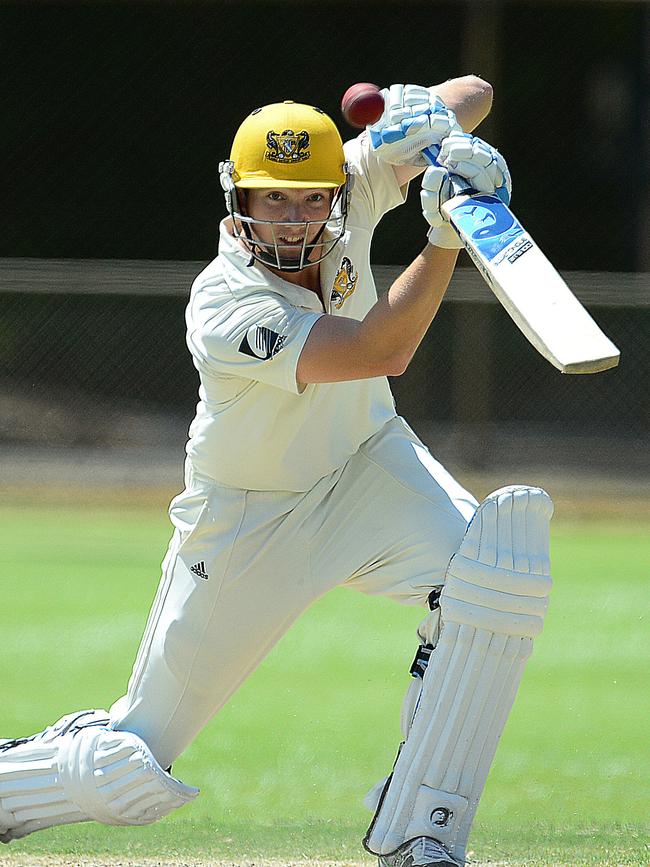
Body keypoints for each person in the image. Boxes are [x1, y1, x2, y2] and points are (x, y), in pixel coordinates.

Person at [0, 80, 553, 867]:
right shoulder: (224, 304)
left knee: (495, 575)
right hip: (248, 523)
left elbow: (481, 92)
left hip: (367, 468)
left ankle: (422, 829)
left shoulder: (354, 186)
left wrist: (429, 117)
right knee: (127, 769)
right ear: (240, 200)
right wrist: (444, 241)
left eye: (308, 200)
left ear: (335, 190)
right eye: (273, 200)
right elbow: (376, 351)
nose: (293, 219)